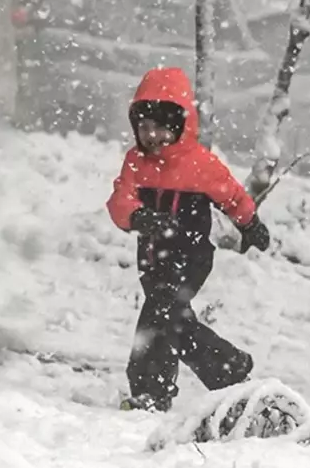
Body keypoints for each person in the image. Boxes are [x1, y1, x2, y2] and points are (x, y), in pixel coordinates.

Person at [106, 67, 271, 412]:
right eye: (144, 128)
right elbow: (120, 200)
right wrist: (138, 216)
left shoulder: (199, 164)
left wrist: (249, 223)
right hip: (151, 257)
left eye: (162, 128)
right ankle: (229, 367)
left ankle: (151, 390)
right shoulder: (136, 163)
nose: (152, 136)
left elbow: (232, 195)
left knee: (157, 319)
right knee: (174, 322)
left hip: (189, 255)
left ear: (182, 125)